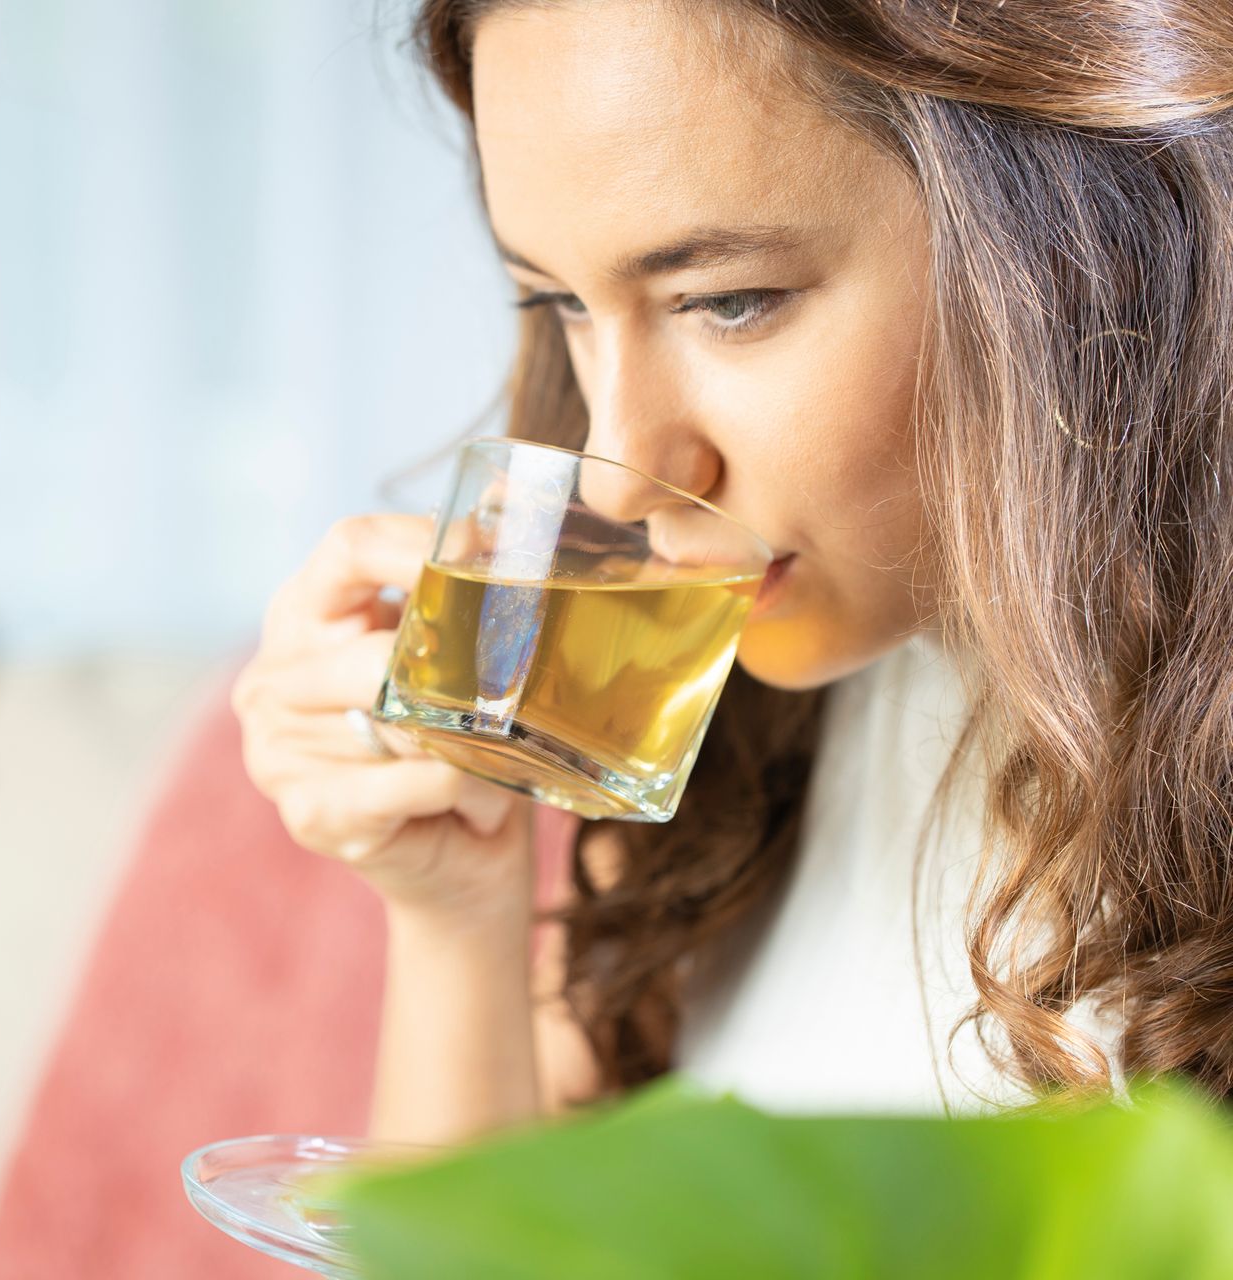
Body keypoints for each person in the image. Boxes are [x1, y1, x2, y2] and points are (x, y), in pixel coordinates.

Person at [230, 0, 1233, 1148]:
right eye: (562, 301)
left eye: (728, 302)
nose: (617, 475)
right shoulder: (717, 744)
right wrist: (456, 910)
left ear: (1079, 249)